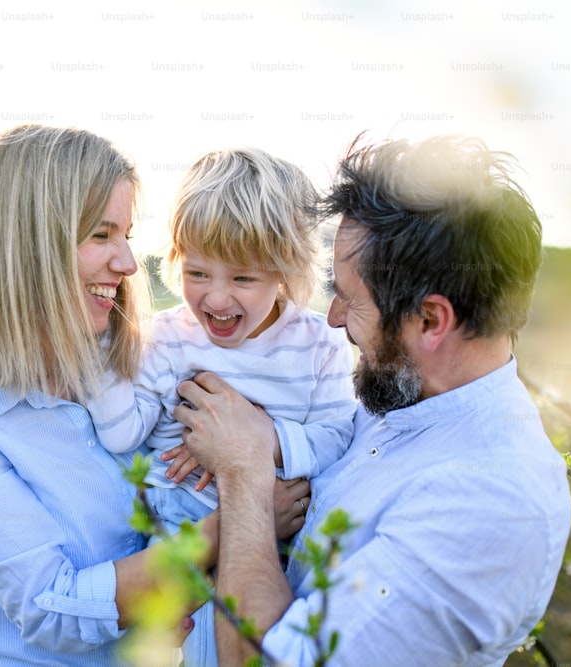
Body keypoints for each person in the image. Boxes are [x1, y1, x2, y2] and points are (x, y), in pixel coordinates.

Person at [0, 125, 310, 665]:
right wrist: (240, 522)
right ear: (26, 246)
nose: (129, 264)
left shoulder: (139, 355)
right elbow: (55, 610)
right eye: (101, 235)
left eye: (127, 235)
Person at [175, 134, 571, 666]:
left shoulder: (491, 502)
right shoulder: (391, 393)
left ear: (430, 321)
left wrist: (244, 470)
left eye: (349, 297)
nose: (333, 318)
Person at [86, 147, 357, 666]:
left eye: (242, 279)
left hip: (266, 536)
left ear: (286, 270)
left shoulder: (317, 344)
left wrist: (254, 439)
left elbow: (336, 438)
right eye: (197, 273)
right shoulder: (167, 339)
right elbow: (123, 434)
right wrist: (97, 360)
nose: (214, 299)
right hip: (173, 525)